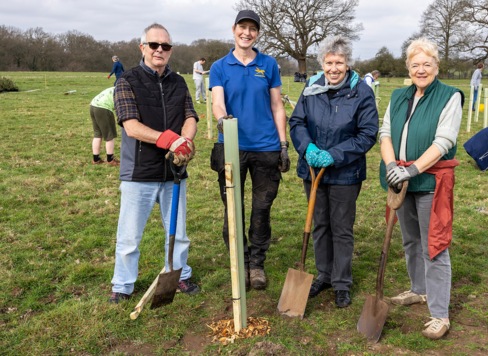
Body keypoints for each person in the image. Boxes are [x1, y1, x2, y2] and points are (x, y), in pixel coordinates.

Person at [379, 37, 464, 340]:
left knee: (435, 247)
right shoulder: (399, 95)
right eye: (415, 64)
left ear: (436, 66)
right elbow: (386, 133)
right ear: (409, 68)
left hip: (430, 182)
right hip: (400, 180)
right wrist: (392, 167)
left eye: (427, 64)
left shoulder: (449, 96)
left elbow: (444, 142)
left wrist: (413, 170)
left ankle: (440, 314)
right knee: (411, 241)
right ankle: (419, 290)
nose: (421, 69)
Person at [109, 23, 200, 304]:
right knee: (129, 237)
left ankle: (179, 275)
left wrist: (185, 142)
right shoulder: (127, 81)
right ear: (143, 48)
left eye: (166, 46)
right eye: (154, 45)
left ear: (171, 51)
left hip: (175, 172)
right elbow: (131, 126)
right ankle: (123, 286)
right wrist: (170, 141)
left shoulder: (179, 82)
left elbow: (190, 115)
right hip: (139, 172)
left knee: (179, 233)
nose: (160, 50)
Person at [289, 36, 378, 308]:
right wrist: (308, 149)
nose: (334, 68)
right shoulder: (311, 87)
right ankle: (324, 275)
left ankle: (341, 282)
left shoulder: (361, 92)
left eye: (339, 62)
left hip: (344, 173)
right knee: (320, 224)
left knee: (341, 228)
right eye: (329, 62)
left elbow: (367, 134)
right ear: (322, 64)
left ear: (347, 63)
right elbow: (296, 122)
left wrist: (334, 155)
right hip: (313, 169)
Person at [209, 10, 289, 291]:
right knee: (233, 207)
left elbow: (277, 106)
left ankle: (256, 263)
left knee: (261, 209)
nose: (247, 33)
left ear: (257, 34)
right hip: (230, 146)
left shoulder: (269, 64)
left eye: (252, 29)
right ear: (234, 30)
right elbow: (217, 102)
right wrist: (222, 121)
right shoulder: (220, 66)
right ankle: (239, 262)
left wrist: (283, 144)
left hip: (266, 148)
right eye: (242, 27)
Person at [90, 87, 120, 165]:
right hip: (104, 108)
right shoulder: (124, 91)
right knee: (110, 135)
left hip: (93, 105)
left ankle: (96, 159)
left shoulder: (115, 88)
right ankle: (110, 160)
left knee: (98, 134)